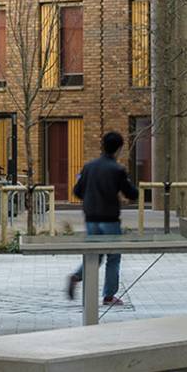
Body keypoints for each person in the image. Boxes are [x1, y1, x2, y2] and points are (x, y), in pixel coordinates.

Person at [64, 131, 140, 308]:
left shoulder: (89, 167)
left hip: (91, 218)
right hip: (109, 219)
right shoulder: (117, 170)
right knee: (113, 257)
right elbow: (131, 193)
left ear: (102, 146)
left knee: (95, 255)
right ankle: (108, 296)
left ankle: (77, 276)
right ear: (119, 148)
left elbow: (77, 191)